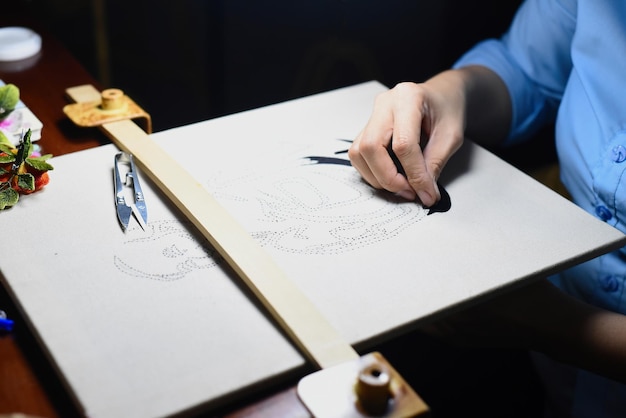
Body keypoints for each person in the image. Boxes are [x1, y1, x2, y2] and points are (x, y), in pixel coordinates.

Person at [348, 0, 626, 416]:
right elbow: (525, 69)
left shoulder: (540, 322)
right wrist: (447, 93)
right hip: (554, 383)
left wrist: (557, 327)